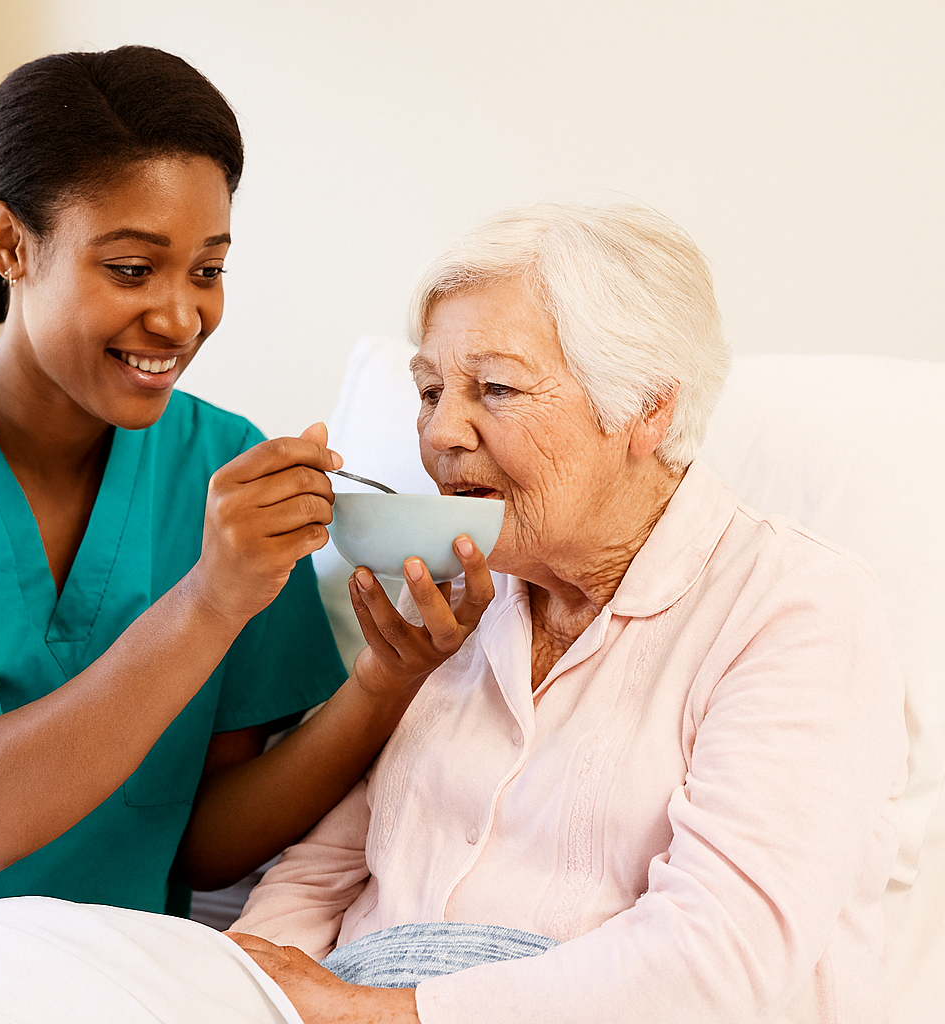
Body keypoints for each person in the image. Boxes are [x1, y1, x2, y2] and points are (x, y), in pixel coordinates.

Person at [0, 45, 494, 911]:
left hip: (92, 955)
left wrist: (384, 683)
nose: (180, 317)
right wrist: (210, 599)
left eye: (208, 270)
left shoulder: (226, 473)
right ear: (11, 244)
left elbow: (206, 844)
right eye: (132, 269)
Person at [229, 202, 908, 1024]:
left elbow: (718, 961)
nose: (441, 432)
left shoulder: (795, 608)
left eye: (496, 388)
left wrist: (364, 1013)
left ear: (648, 408)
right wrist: (241, 993)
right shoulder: (447, 594)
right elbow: (323, 874)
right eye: (430, 390)